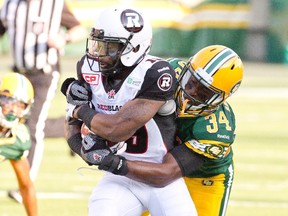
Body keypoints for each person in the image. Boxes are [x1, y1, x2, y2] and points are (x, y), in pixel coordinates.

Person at [62, 6, 197, 216]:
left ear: (134, 48)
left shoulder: (155, 73)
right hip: (117, 178)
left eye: (110, 48)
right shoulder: (87, 67)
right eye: (98, 45)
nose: (99, 55)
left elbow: (117, 129)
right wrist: (87, 152)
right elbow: (70, 128)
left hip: (159, 175)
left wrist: (80, 110)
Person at [98, 45, 244, 216]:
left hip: (204, 177)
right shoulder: (169, 72)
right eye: (191, 82)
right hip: (156, 160)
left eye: (203, 94)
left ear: (220, 99)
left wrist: (116, 164)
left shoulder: (216, 129)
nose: (191, 93)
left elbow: (166, 172)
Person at [0, 0, 87, 202]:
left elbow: (79, 29)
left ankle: (26, 185)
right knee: (13, 123)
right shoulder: (10, 4)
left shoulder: (54, 4)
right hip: (18, 76)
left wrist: (63, 38)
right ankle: (71, 128)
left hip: (44, 74)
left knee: (33, 127)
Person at [0, 73, 37, 216]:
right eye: (9, 102)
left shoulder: (16, 138)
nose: (14, 110)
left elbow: (26, 186)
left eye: (20, 105)